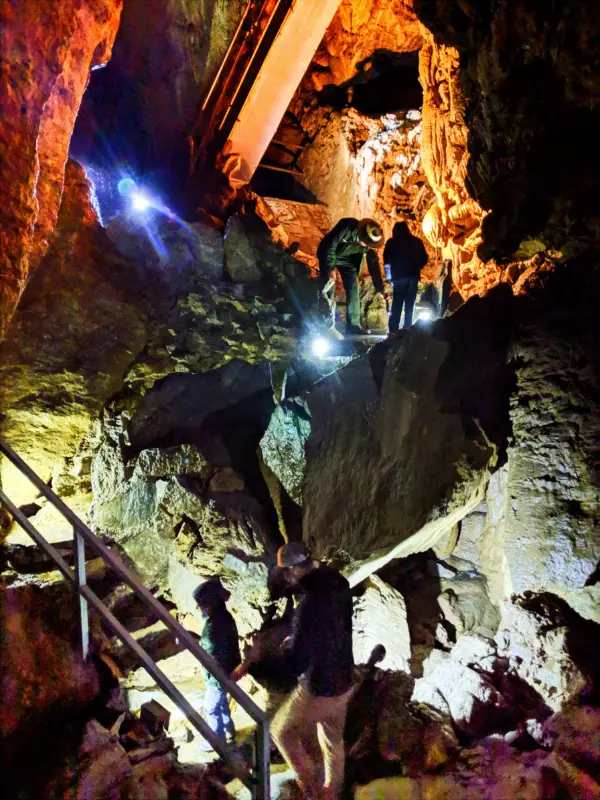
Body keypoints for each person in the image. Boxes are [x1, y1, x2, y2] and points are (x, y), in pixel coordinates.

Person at [269, 542, 354, 800]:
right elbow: (335, 627)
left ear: (295, 569)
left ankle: (313, 791)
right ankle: (333, 792)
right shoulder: (338, 583)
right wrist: (297, 637)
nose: (287, 577)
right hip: (345, 676)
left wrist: (275, 654)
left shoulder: (307, 602)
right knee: (331, 737)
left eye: (287, 571)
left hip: (321, 685)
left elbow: (297, 661)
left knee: (280, 731)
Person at [317, 217, 386, 335]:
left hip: (348, 261)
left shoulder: (369, 245)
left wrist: (380, 289)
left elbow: (373, 265)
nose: (367, 245)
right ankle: (327, 325)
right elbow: (330, 245)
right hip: (329, 254)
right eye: (366, 242)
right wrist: (330, 268)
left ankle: (353, 325)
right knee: (329, 287)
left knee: (353, 287)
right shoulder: (347, 226)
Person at [194, 579, 241, 746]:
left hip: (217, 676)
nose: (200, 609)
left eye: (201, 605)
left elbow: (211, 653)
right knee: (222, 704)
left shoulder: (213, 625)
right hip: (229, 671)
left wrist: (195, 645)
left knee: (210, 708)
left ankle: (217, 741)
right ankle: (229, 733)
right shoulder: (224, 617)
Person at [383, 221, 428, 332]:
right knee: (409, 305)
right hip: (413, 277)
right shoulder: (417, 242)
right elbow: (424, 258)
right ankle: (407, 329)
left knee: (396, 305)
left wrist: (389, 278)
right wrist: (418, 268)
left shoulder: (391, 243)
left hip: (398, 278)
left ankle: (393, 331)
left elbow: (387, 261)